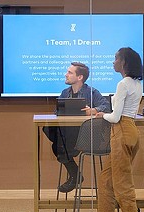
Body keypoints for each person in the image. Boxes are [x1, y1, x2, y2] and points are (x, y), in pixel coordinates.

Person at [89, 47, 143, 212]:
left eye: (115, 58)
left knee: (122, 180)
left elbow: (115, 117)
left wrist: (101, 114)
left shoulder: (123, 84)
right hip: (130, 130)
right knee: (106, 178)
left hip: (121, 130)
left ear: (124, 62)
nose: (113, 62)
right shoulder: (136, 84)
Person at [42, 62, 110, 193]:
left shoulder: (92, 92)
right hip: (68, 134)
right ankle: (75, 173)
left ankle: (75, 174)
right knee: (48, 128)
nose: (65, 75)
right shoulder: (65, 92)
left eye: (69, 72)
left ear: (80, 77)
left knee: (57, 146)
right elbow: (57, 112)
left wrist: (94, 110)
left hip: (86, 136)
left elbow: (106, 107)